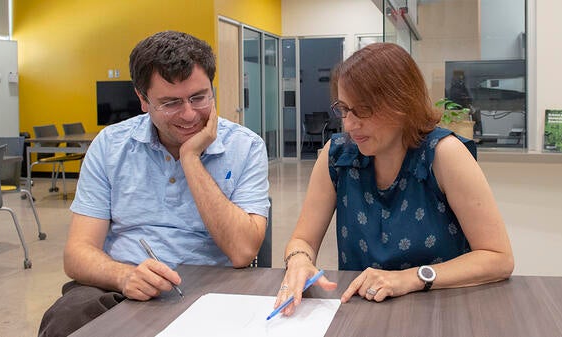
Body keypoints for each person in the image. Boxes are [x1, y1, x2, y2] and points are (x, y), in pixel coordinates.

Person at [39, 31, 270, 336]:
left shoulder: (246, 146)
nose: (189, 114)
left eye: (199, 97)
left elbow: (242, 251)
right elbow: (78, 253)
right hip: (125, 284)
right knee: (66, 317)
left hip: (214, 288)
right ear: (143, 100)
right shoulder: (110, 145)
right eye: (171, 103)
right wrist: (124, 276)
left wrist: (191, 159)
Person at [274, 43, 514, 316]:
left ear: (402, 104)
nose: (350, 125)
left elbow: (498, 258)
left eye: (363, 110)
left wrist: (410, 278)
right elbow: (302, 240)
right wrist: (298, 261)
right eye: (344, 109)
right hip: (362, 313)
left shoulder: (443, 154)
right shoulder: (337, 156)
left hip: (442, 311)